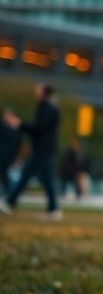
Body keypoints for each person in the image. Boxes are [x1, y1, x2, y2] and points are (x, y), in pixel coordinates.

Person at [1, 84, 61, 220]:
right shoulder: (46, 107)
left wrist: (20, 124)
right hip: (42, 148)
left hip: (43, 149)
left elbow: (39, 128)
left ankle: (10, 202)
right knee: (43, 179)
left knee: (28, 175)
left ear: (44, 93)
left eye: (39, 90)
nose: (36, 91)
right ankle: (53, 209)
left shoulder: (49, 109)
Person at [0, 111, 21, 195]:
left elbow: (16, 144)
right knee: (3, 173)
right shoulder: (4, 127)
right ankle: (8, 191)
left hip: (6, 155)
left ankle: (9, 190)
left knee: (4, 173)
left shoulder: (12, 130)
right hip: (5, 154)